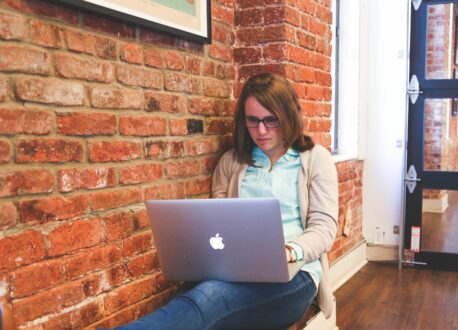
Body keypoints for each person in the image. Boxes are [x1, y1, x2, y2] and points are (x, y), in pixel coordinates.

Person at [115, 72, 339, 330]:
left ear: (289, 116)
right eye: (252, 121)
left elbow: (324, 229)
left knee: (209, 298)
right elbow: (216, 226)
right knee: (191, 298)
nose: (261, 130)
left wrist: (289, 252)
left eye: (271, 120)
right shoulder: (231, 162)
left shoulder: (315, 159)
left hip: (296, 274)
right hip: (234, 271)